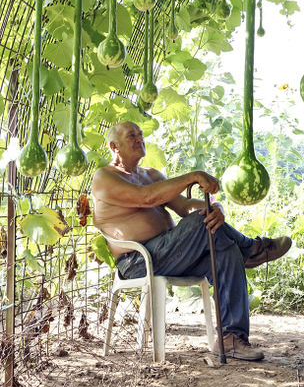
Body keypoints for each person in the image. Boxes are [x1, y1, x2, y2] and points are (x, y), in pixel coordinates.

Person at [92, 121, 292, 361]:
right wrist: (193, 176)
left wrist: (214, 207)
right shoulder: (104, 177)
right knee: (201, 222)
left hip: (173, 254)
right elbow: (145, 198)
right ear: (115, 146)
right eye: (131, 135)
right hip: (138, 261)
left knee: (226, 253)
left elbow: (185, 207)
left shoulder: (151, 175)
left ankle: (230, 340)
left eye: (141, 134)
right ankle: (251, 248)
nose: (139, 139)